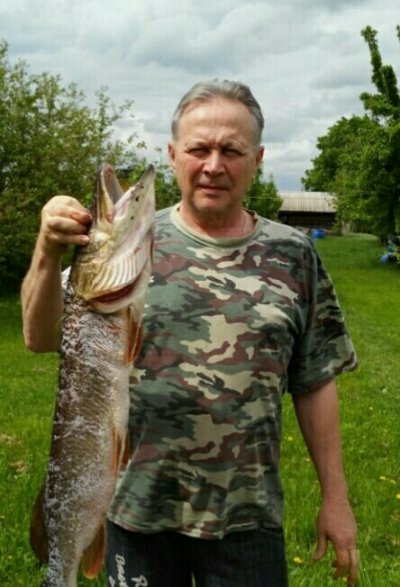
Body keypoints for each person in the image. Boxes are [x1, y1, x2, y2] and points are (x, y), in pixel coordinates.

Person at [21, 80, 359, 587]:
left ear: (258, 159)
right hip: (133, 514)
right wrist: (48, 252)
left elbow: (315, 381)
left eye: (232, 150)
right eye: (199, 148)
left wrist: (336, 497)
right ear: (173, 154)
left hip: (246, 518)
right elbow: (40, 336)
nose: (213, 165)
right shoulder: (126, 249)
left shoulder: (294, 254)